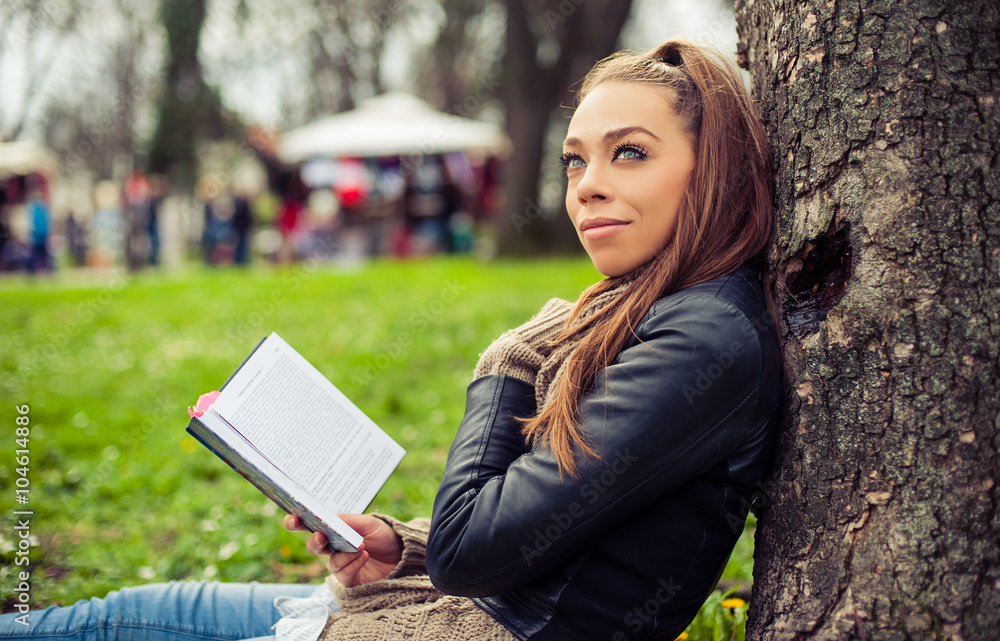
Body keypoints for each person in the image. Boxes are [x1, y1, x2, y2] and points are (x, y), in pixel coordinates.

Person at [0, 38, 781, 640]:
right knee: (99, 616)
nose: (588, 185)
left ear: (712, 168)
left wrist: (508, 360)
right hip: (433, 609)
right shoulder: (659, 310)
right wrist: (399, 548)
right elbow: (548, 532)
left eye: (630, 153)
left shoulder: (704, 339)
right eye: (575, 160)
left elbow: (477, 550)